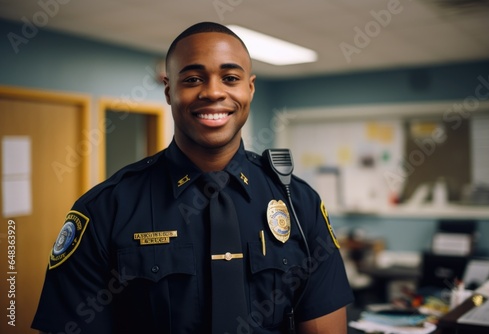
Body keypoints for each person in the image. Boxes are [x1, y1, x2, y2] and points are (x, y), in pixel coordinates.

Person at [32, 22, 354, 333]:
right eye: (193, 79)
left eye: (229, 77)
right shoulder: (105, 210)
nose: (213, 92)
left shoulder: (299, 204)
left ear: (250, 89)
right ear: (169, 91)